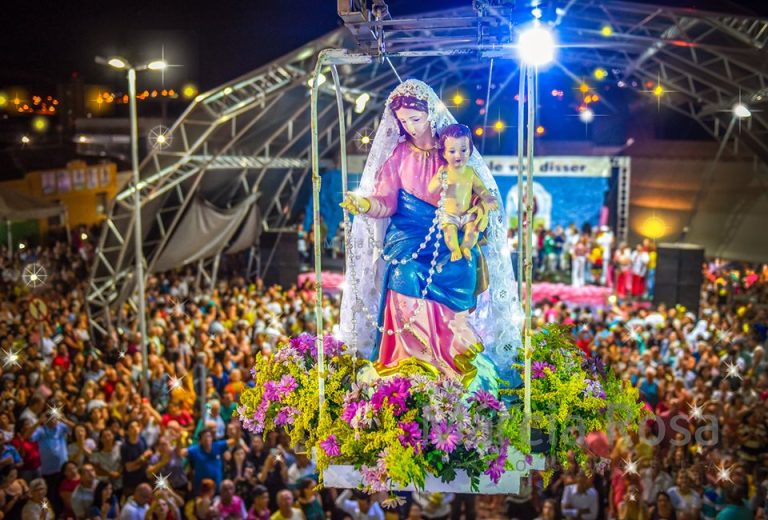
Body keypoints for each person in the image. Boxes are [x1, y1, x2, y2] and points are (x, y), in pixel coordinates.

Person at [340, 79, 520, 391]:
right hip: (409, 238)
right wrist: (364, 204)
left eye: (415, 119)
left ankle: (451, 355)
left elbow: (478, 192)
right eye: (403, 121)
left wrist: (479, 211)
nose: (409, 127)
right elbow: (386, 202)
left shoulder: (452, 150)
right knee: (405, 274)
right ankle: (408, 360)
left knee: (464, 268)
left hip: (449, 234)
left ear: (431, 116)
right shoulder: (397, 156)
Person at [427, 123, 498, 261]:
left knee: (473, 230)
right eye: (452, 151)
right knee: (449, 233)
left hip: (467, 214)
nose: (458, 155)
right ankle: (454, 249)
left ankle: (466, 247)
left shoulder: (470, 172)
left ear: (470, 150)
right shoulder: (444, 171)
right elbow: (431, 190)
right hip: (449, 215)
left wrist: (488, 198)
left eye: (463, 150)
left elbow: (481, 189)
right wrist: (438, 181)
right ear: (444, 153)